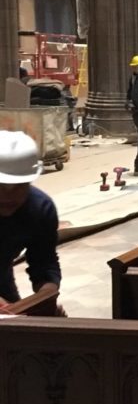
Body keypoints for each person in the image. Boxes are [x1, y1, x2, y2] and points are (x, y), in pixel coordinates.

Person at [0, 132, 60, 308]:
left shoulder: (40, 209)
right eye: (1, 187)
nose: (8, 196)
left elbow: (44, 261)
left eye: (19, 186)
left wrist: (45, 296)